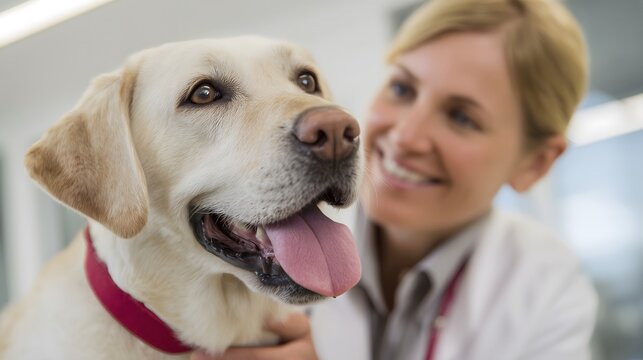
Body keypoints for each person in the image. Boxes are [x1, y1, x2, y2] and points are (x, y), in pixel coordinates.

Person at [192, 0, 598, 359]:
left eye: (462, 118)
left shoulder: (546, 286)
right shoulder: (246, 238)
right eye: (403, 88)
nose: (404, 136)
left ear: (536, 164)